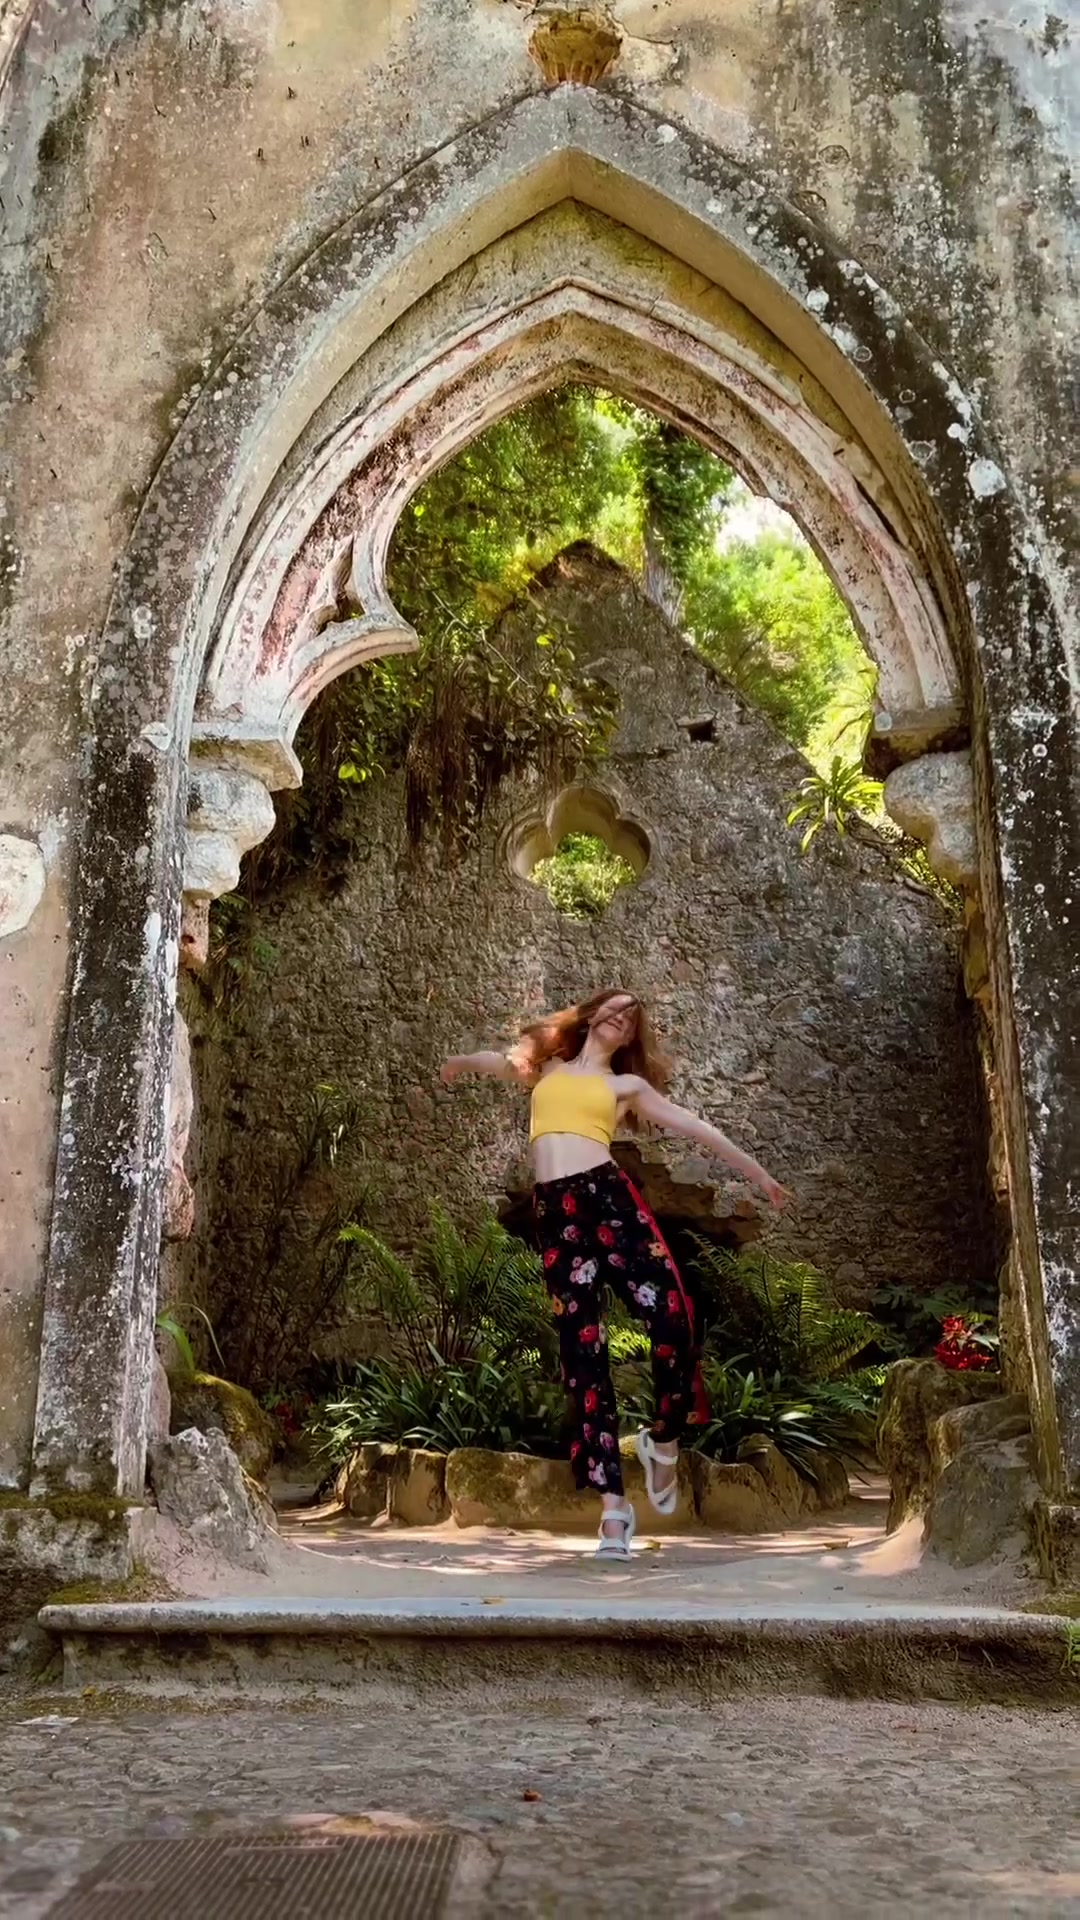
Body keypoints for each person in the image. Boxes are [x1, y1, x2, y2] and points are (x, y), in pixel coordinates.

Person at [440, 990, 788, 1559]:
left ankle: (664, 1442)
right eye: (615, 1008)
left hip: (608, 1201)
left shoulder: (625, 1087)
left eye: (631, 1017)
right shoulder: (547, 1067)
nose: (621, 1017)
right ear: (592, 1013)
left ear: (630, 1036)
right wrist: (461, 1063)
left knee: (672, 1317)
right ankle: (613, 1511)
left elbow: (695, 1127)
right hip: (557, 1216)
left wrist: (758, 1175)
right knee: (583, 1356)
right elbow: (500, 1062)